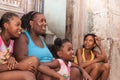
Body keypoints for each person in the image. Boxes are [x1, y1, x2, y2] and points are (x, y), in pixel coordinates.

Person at [13, 11, 65, 80]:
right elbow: (21, 59)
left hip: (50, 69)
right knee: (47, 77)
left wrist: (54, 64)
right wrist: (47, 66)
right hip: (37, 71)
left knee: (75, 71)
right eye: (41, 21)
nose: (45, 24)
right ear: (31, 23)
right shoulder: (23, 37)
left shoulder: (42, 38)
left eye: (45, 21)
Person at [0, 12, 39, 80]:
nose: (20, 28)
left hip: (6, 70)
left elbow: (7, 56)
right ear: (6, 25)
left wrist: (12, 58)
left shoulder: (12, 41)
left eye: (20, 25)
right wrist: (17, 66)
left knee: (34, 60)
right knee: (28, 75)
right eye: (17, 25)